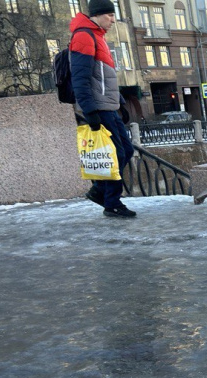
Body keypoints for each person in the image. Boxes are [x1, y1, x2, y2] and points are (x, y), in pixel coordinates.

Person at [69, 0, 136, 218]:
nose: (113, 20)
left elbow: (105, 77)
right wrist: (89, 111)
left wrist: (120, 102)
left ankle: (99, 190)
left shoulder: (98, 37)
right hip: (98, 107)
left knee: (126, 150)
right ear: (97, 15)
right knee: (115, 154)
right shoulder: (84, 36)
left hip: (109, 105)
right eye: (109, 15)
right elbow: (80, 79)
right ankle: (112, 203)